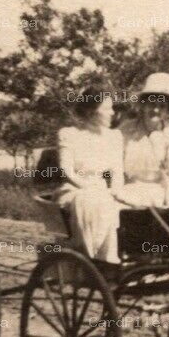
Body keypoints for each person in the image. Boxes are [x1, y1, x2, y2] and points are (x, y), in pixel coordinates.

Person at [55, 81, 126, 264]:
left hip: (103, 191)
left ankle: (110, 256)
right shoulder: (69, 134)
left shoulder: (114, 137)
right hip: (75, 189)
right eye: (107, 108)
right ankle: (91, 256)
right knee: (91, 200)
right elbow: (67, 171)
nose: (112, 113)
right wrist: (89, 188)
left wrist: (116, 191)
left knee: (118, 204)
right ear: (91, 111)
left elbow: (117, 172)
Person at [120, 71, 169, 209]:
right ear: (144, 104)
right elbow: (115, 165)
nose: (156, 110)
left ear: (168, 109)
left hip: (161, 189)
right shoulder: (126, 130)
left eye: (162, 106)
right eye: (152, 104)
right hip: (130, 189)